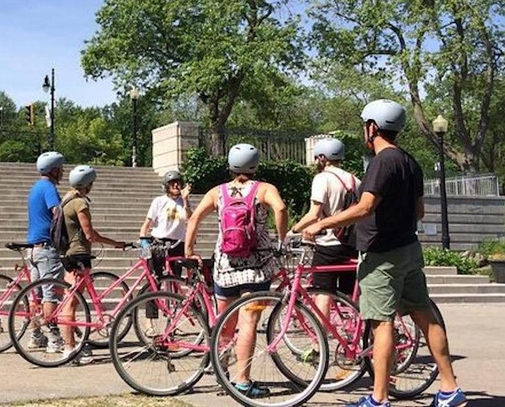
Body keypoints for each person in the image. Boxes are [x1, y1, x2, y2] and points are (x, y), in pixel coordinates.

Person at [302, 99, 466, 407]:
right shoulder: (410, 162)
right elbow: (419, 212)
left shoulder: (381, 162)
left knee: (381, 323)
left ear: (372, 127)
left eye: (365, 125)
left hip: (382, 254)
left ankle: (378, 399)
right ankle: (449, 388)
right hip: (409, 249)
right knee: (426, 317)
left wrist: (321, 224)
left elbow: (365, 207)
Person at [185, 143, 288, 397]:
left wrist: (189, 251)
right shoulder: (264, 189)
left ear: (230, 165)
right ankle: (243, 381)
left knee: (224, 323)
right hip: (257, 266)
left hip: (225, 265)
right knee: (249, 321)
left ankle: (223, 374)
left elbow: (195, 218)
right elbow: (281, 208)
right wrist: (281, 240)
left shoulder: (217, 192)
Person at [291, 137, 360, 350]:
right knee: (349, 294)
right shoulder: (354, 180)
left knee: (322, 292)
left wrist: (294, 229)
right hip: (350, 242)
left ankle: (319, 344)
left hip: (329, 243)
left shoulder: (322, 179)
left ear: (322, 157)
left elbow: (314, 214)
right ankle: (353, 334)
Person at [60, 165, 126, 364]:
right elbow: (90, 234)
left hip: (68, 253)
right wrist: (116, 243)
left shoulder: (66, 199)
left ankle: (71, 345)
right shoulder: (79, 203)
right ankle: (69, 349)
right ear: (87, 184)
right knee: (71, 303)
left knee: (69, 299)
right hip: (79, 254)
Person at [139, 170, 192, 334]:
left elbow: (189, 218)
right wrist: (143, 238)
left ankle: (172, 322)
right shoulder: (159, 201)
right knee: (154, 282)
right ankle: (149, 323)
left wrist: (186, 199)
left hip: (178, 244)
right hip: (159, 243)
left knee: (175, 283)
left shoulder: (184, 203)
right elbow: (147, 223)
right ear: (166, 186)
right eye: (172, 183)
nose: (176, 185)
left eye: (178, 182)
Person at [25, 151, 66, 353]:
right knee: (51, 295)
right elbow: (56, 214)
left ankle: (35, 337)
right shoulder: (49, 188)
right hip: (47, 250)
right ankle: (54, 340)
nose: (63, 172)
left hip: (33, 249)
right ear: (55, 170)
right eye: (61, 169)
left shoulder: (35, 188)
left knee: (36, 296)